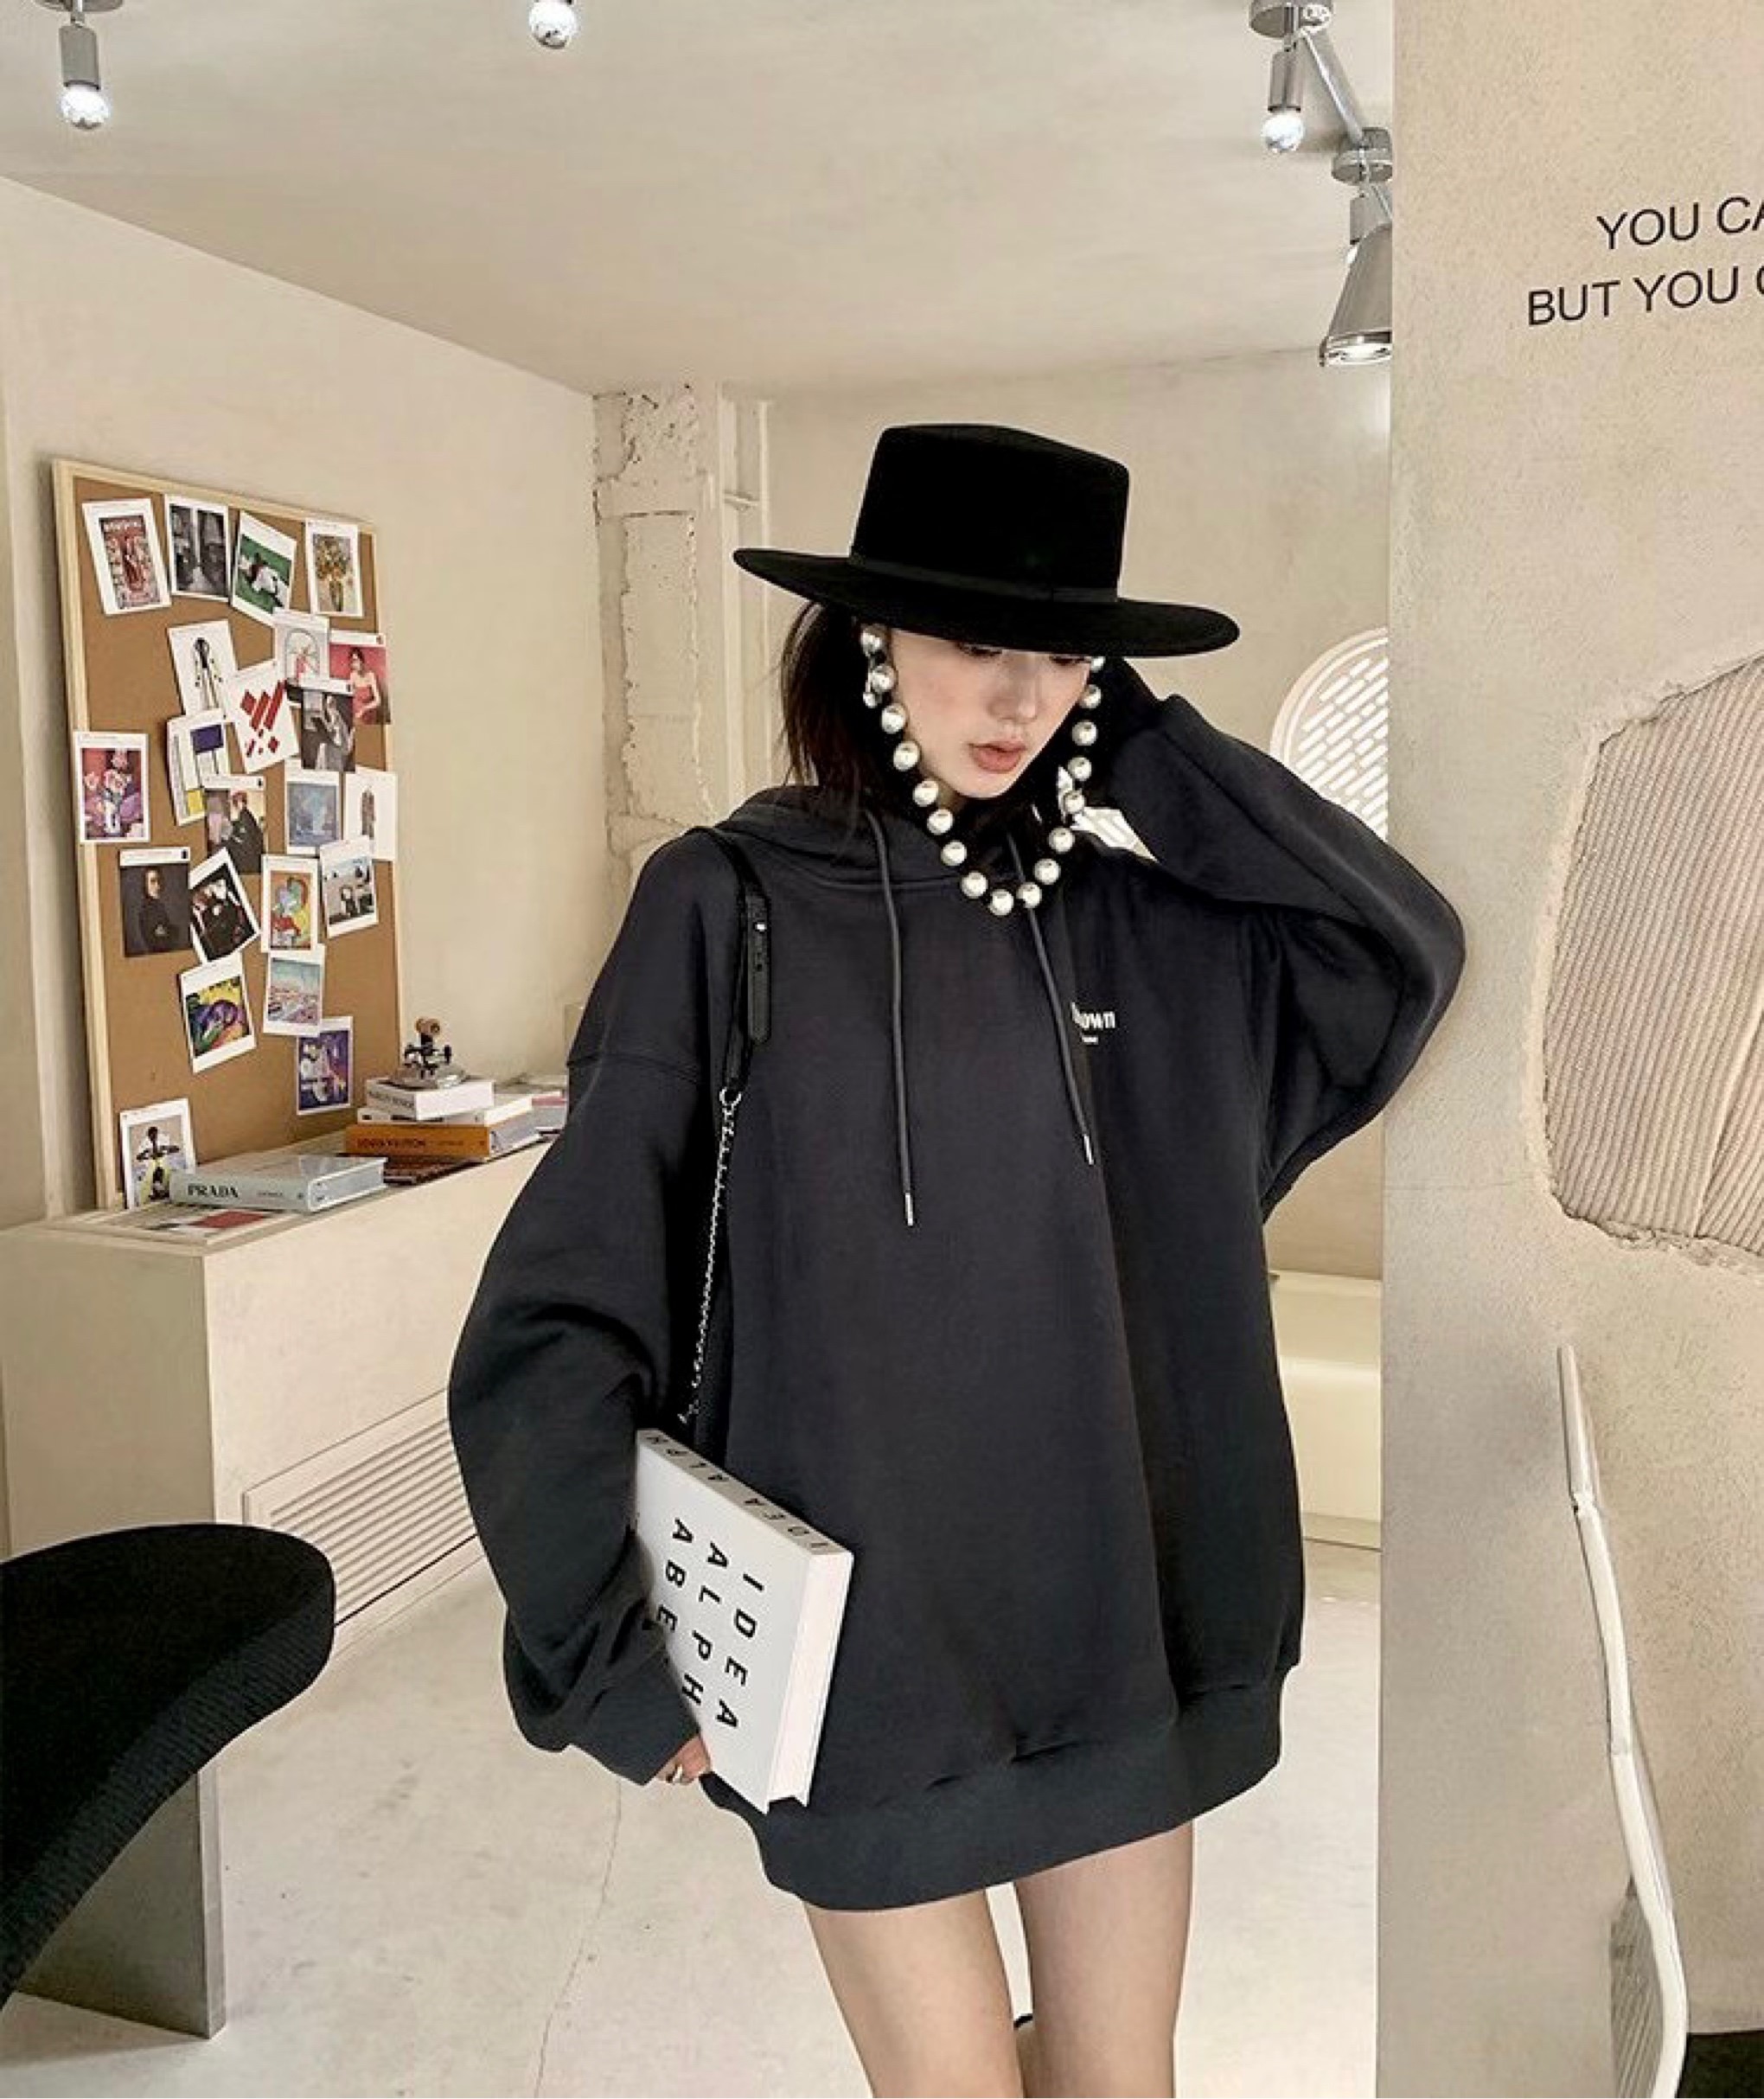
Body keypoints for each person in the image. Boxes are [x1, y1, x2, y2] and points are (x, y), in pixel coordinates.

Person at [446, 425, 1467, 2096]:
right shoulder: (726, 902)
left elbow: (1393, 950)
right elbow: (565, 1296)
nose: (1018, 697)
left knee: (1120, 2086)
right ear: (871, 640)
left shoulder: (1130, 925)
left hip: (1120, 1622)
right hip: (867, 1662)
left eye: (1063, 656)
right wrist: (600, 1650)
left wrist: (1144, 746)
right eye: (974, 643)